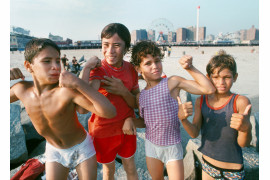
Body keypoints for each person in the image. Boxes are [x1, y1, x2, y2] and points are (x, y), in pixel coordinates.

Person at [10, 38, 116, 180]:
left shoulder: (65, 92)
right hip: (54, 150)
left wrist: (77, 82)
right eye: (47, 61)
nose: (55, 66)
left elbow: (110, 112)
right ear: (28, 66)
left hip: (81, 148)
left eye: (57, 60)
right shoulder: (21, 89)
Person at [130, 41, 216, 180]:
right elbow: (146, 122)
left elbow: (209, 89)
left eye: (157, 61)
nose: (155, 66)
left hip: (172, 146)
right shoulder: (141, 96)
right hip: (151, 146)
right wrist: (131, 121)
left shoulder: (172, 83)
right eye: (148, 63)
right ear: (138, 69)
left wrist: (190, 67)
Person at [178, 50, 252, 180]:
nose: (221, 82)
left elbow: (243, 144)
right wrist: (183, 119)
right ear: (208, 77)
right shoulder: (201, 100)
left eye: (227, 77)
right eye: (216, 77)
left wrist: (246, 128)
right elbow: (194, 133)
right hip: (207, 165)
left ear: (235, 77)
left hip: (232, 170)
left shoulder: (240, 102)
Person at [79, 23, 139, 180]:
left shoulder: (131, 69)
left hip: (127, 128)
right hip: (103, 131)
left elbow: (136, 103)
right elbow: (85, 104)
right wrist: (86, 69)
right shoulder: (99, 70)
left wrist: (123, 91)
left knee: (131, 168)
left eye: (117, 45)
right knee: (108, 171)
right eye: (105, 45)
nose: (110, 51)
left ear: (126, 48)